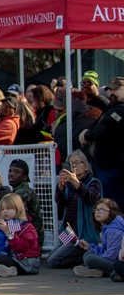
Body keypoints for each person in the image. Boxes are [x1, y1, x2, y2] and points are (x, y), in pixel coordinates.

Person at [47, 151, 103, 269]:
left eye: (77, 162)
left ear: (86, 166)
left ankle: (87, 255)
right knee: (49, 258)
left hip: (84, 234)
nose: (74, 166)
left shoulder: (94, 183)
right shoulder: (69, 185)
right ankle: (86, 257)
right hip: (69, 232)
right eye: (70, 163)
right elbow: (61, 203)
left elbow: (90, 198)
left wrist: (75, 182)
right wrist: (61, 188)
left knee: (53, 261)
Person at [79, 76, 124, 205]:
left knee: (113, 202)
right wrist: (87, 131)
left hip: (112, 164)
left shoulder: (121, 109)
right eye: (109, 90)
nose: (111, 93)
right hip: (105, 163)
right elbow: (99, 123)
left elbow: (104, 127)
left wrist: (87, 135)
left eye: (115, 90)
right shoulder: (112, 107)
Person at [73, 199, 124, 278]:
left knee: (90, 259)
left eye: (102, 210)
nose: (97, 212)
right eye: (96, 209)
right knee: (87, 254)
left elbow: (110, 257)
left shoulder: (114, 231)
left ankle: (102, 272)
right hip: (113, 260)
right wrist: (89, 247)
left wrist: (97, 258)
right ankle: (98, 271)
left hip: (118, 263)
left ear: (112, 212)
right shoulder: (107, 227)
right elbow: (107, 250)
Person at [7, 159, 44, 248]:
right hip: (31, 242)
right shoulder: (23, 191)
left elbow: (20, 222)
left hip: (27, 246)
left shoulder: (21, 194)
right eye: (10, 171)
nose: (11, 174)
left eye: (16, 172)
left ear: (25, 177)